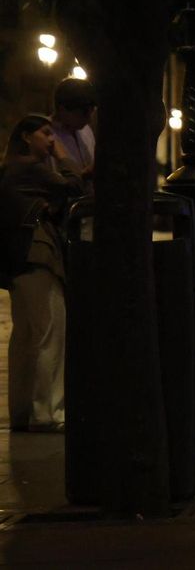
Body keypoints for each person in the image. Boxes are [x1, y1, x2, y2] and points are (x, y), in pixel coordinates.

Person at [1, 115, 86, 432]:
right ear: (26, 137)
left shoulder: (12, 169)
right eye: (45, 133)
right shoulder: (29, 168)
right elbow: (74, 185)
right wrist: (64, 157)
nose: (52, 139)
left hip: (19, 260)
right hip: (38, 256)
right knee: (50, 332)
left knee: (26, 336)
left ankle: (23, 410)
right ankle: (48, 412)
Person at [48, 77, 95, 190]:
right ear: (62, 109)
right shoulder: (47, 135)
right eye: (84, 114)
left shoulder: (85, 130)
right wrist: (84, 174)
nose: (89, 120)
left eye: (91, 113)